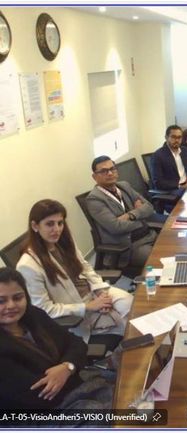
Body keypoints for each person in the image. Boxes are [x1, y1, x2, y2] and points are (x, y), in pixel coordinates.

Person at [16, 200, 133, 351]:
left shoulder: (63, 242)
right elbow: (44, 309)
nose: (57, 229)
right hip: (76, 310)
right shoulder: (28, 265)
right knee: (130, 328)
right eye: (49, 224)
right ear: (35, 226)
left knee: (133, 306)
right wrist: (88, 307)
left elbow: (86, 268)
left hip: (93, 292)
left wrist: (100, 291)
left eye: (60, 223)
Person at [0, 268, 114, 411]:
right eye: (1, 301)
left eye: (17, 298)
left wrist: (67, 367)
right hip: (42, 410)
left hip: (77, 384)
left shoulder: (34, 315)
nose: (11, 305)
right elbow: (40, 394)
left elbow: (76, 342)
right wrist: (72, 366)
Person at [85, 156, 161, 272]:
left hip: (150, 234)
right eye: (104, 171)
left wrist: (130, 215)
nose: (110, 173)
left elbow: (149, 207)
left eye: (112, 169)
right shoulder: (94, 199)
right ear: (94, 176)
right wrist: (141, 218)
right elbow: (116, 227)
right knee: (160, 260)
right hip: (130, 246)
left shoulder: (124, 186)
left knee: (175, 246)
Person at [151, 125, 187, 192]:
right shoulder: (158, 156)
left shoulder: (184, 150)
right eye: (173, 137)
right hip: (173, 190)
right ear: (166, 137)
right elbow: (158, 182)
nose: (177, 140)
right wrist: (180, 186)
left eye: (179, 137)